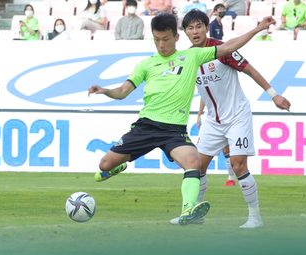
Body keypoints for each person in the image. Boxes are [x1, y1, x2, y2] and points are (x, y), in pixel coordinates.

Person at [87, 13, 276, 226]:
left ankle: (192, 210)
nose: (161, 44)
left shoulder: (192, 57)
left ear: (176, 37)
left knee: (199, 163)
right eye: (156, 39)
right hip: (147, 126)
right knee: (104, 166)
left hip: (177, 130)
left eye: (165, 39)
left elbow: (228, 47)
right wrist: (104, 91)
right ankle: (118, 166)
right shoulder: (146, 64)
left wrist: (257, 29)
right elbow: (122, 91)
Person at [168, 9, 290, 228]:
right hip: (212, 121)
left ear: (207, 27)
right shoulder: (187, 58)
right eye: (190, 28)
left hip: (236, 117)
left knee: (238, 166)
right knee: (196, 166)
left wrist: (274, 95)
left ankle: (255, 218)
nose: (195, 31)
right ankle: (194, 213)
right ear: (184, 32)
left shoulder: (222, 50)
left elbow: (250, 69)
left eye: (199, 26)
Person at [196, 101, 238, 187]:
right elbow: (203, 97)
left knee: (227, 150)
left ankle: (231, 178)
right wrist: (199, 115)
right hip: (210, 119)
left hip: (228, 117)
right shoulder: (205, 88)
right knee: (201, 152)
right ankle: (196, 183)